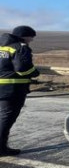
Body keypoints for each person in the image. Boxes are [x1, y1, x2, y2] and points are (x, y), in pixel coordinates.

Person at [0, 25, 40, 156]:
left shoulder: (2, 46)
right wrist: (34, 73)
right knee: (6, 119)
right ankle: (1, 148)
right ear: (24, 36)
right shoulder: (20, 47)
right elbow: (23, 68)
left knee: (2, 117)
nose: (31, 40)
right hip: (12, 89)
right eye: (31, 37)